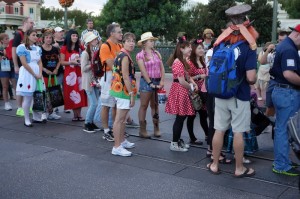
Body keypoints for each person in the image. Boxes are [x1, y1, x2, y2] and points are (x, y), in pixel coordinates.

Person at [207, 4, 257, 177]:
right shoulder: (248, 47)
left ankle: (214, 164)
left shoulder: (220, 44)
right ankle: (239, 168)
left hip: (220, 94)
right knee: (238, 132)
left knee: (219, 129)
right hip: (239, 95)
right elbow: (251, 78)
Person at [270, 24, 300, 176]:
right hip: (287, 92)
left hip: (281, 90)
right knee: (284, 129)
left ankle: (283, 162)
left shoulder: (284, 45)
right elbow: (289, 74)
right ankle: (281, 164)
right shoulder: (289, 49)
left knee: (282, 128)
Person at [165, 35, 198, 152]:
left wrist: (192, 83)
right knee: (180, 118)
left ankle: (177, 141)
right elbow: (182, 80)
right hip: (180, 90)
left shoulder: (182, 61)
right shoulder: (178, 62)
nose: (190, 49)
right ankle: (174, 143)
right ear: (181, 49)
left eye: (190, 47)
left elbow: (187, 77)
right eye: (188, 47)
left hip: (181, 90)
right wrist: (192, 87)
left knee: (181, 117)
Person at [110, 32, 137, 157]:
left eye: (133, 41)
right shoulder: (124, 56)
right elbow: (126, 77)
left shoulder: (122, 54)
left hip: (121, 89)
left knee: (123, 119)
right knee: (119, 119)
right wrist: (131, 93)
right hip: (123, 90)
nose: (132, 43)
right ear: (124, 42)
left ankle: (121, 141)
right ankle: (117, 146)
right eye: (129, 41)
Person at [136, 32, 165, 138]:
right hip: (146, 82)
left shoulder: (156, 53)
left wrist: (162, 80)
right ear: (144, 43)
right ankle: (142, 129)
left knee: (155, 105)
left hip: (157, 81)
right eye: (150, 40)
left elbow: (162, 68)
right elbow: (143, 71)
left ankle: (156, 127)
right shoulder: (140, 55)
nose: (153, 42)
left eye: (153, 40)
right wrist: (150, 83)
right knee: (144, 105)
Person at [15, 29, 43, 127]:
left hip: (37, 72)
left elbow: (39, 62)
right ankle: (26, 119)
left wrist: (39, 73)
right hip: (27, 73)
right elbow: (24, 63)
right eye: (33, 35)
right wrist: (34, 74)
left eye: (36, 35)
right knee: (28, 97)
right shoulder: (22, 47)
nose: (36, 37)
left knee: (38, 96)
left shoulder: (37, 48)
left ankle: (37, 117)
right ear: (28, 36)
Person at [60, 29, 87, 121]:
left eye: (76, 36)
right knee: (72, 93)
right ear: (69, 37)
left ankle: (79, 114)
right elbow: (62, 62)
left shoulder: (80, 47)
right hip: (69, 75)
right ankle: (75, 115)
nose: (75, 37)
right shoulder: (64, 48)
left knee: (80, 92)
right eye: (73, 36)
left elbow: (87, 55)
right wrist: (71, 62)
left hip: (79, 72)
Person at [186, 39, 208, 146]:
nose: (202, 50)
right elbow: (187, 77)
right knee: (192, 115)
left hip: (203, 91)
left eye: (202, 48)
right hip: (194, 92)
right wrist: (199, 76)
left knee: (203, 114)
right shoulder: (190, 62)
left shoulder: (202, 61)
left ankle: (208, 134)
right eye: (199, 48)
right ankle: (192, 137)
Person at [12, 17, 34, 116]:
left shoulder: (29, 35)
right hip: (21, 65)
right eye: (31, 22)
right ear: (25, 23)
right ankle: (19, 107)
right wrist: (16, 65)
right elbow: (14, 50)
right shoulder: (18, 34)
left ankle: (26, 106)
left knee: (27, 86)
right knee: (20, 87)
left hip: (28, 65)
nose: (32, 24)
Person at [80, 32, 101, 133]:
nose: (96, 41)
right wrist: (92, 64)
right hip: (88, 81)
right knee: (94, 103)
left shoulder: (93, 52)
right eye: (94, 40)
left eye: (96, 39)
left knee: (95, 103)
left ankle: (91, 122)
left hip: (94, 80)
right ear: (89, 42)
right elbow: (83, 68)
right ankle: (87, 123)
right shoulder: (85, 53)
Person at [40, 28, 61, 120]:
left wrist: (56, 69)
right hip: (44, 75)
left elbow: (59, 60)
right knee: (44, 93)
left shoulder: (55, 49)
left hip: (53, 74)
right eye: (47, 37)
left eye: (50, 38)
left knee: (53, 92)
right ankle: (44, 112)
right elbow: (38, 62)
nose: (48, 39)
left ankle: (51, 112)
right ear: (43, 39)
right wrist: (44, 69)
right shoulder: (39, 49)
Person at [0, 33, 16, 111]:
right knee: (5, 86)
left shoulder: (11, 47)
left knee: (15, 85)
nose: (7, 40)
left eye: (8, 38)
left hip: (12, 67)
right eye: (6, 39)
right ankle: (6, 103)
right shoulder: (1, 48)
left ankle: (20, 103)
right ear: (2, 40)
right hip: (4, 68)